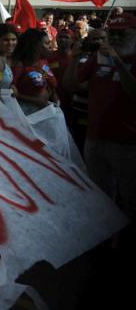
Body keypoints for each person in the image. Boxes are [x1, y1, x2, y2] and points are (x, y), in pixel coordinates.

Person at [63, 13, 136, 224]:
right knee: (100, 195)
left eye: (123, 34)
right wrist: (75, 58)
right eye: (112, 33)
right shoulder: (98, 57)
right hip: (95, 137)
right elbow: (71, 85)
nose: (116, 38)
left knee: (129, 197)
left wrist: (119, 62)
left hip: (127, 142)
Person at [12, 28, 57, 115]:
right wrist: (35, 101)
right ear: (35, 46)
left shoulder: (43, 62)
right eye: (47, 43)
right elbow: (12, 92)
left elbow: (47, 78)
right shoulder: (19, 65)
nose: (51, 46)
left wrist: (54, 93)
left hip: (43, 112)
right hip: (25, 114)